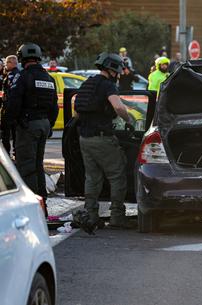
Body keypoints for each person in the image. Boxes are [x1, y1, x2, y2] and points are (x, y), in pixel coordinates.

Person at [74, 52, 134, 230]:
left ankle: (91, 216)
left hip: (84, 137)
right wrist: (128, 119)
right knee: (117, 176)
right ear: (113, 69)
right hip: (102, 138)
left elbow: (76, 112)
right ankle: (117, 216)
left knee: (92, 178)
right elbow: (117, 106)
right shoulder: (108, 86)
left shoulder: (87, 83)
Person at [5, 43, 59, 216]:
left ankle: (32, 209)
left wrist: (7, 125)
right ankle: (43, 205)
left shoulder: (23, 77)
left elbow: (13, 104)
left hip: (28, 125)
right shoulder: (48, 78)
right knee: (38, 165)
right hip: (43, 124)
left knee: (26, 167)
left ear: (21, 58)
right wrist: (48, 124)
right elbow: (54, 107)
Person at [1, 55, 20, 156]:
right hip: (14, 109)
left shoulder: (12, 75)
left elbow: (10, 93)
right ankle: (15, 153)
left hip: (9, 108)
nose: (5, 65)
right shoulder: (17, 74)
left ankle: (7, 155)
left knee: (6, 134)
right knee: (15, 133)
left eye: (7, 63)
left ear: (12, 63)